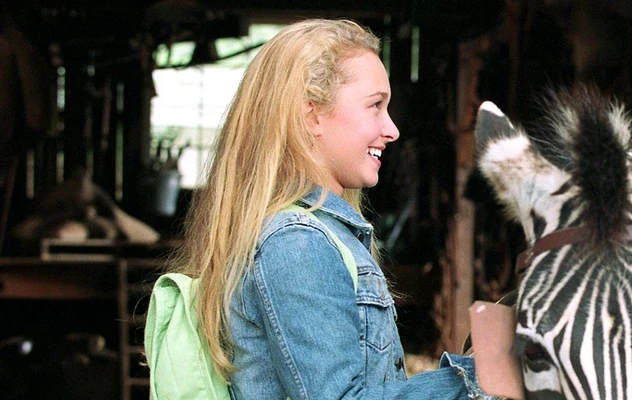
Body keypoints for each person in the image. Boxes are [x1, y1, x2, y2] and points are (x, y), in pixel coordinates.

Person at [169, 19, 486, 399]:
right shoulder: (298, 242)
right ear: (311, 115)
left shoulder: (313, 235)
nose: (392, 129)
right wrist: (478, 378)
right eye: (375, 106)